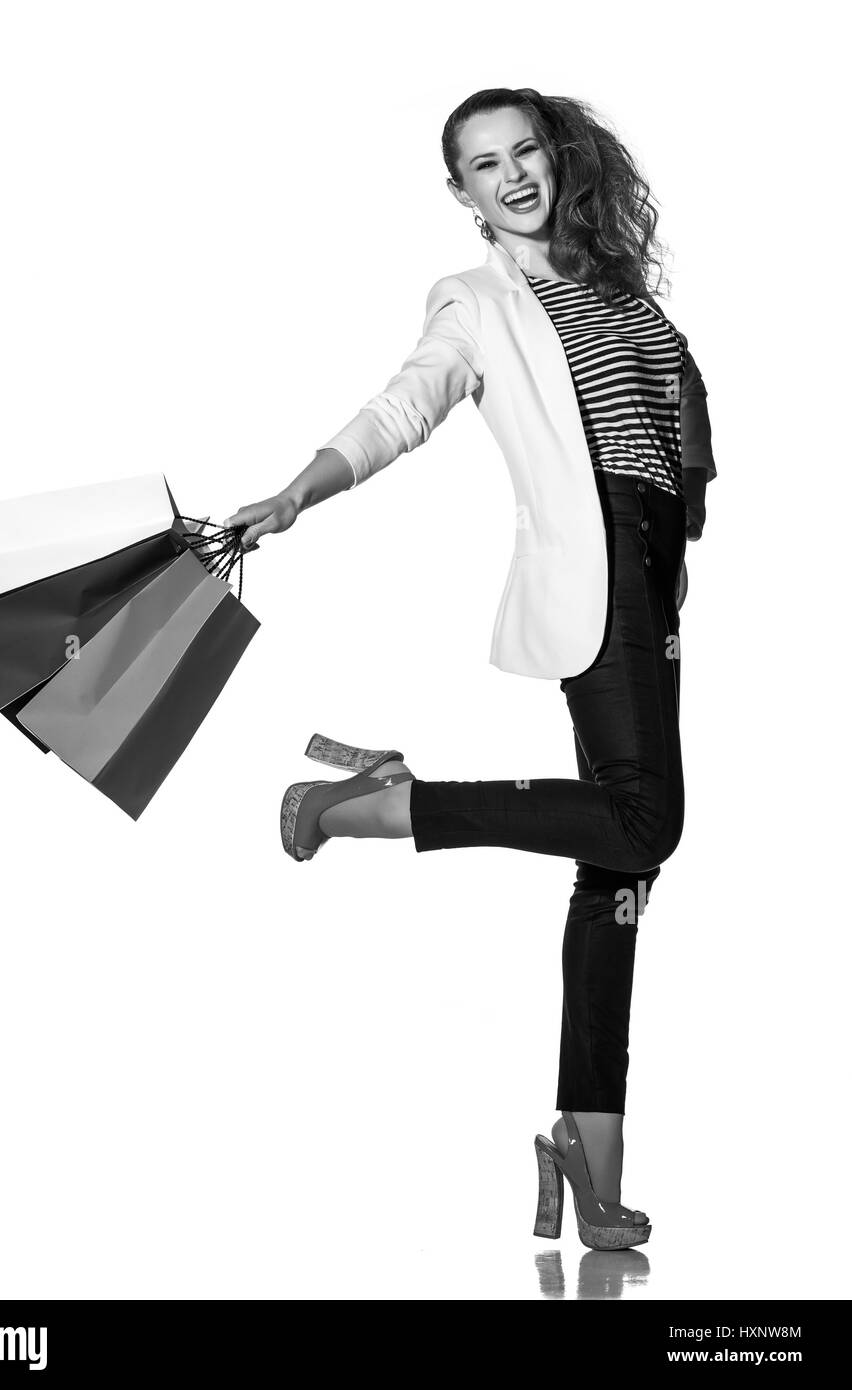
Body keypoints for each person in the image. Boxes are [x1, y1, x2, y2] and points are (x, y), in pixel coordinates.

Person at [224, 87, 717, 1250]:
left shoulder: (619, 296)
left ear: (557, 158)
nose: (510, 176)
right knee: (645, 820)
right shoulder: (478, 302)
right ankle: (369, 806)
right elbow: (408, 401)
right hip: (588, 573)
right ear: (461, 194)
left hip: (649, 578)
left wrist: (681, 518)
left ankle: (585, 1161)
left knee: (618, 870)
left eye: (523, 152)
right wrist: (300, 488)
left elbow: (675, 441)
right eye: (481, 164)